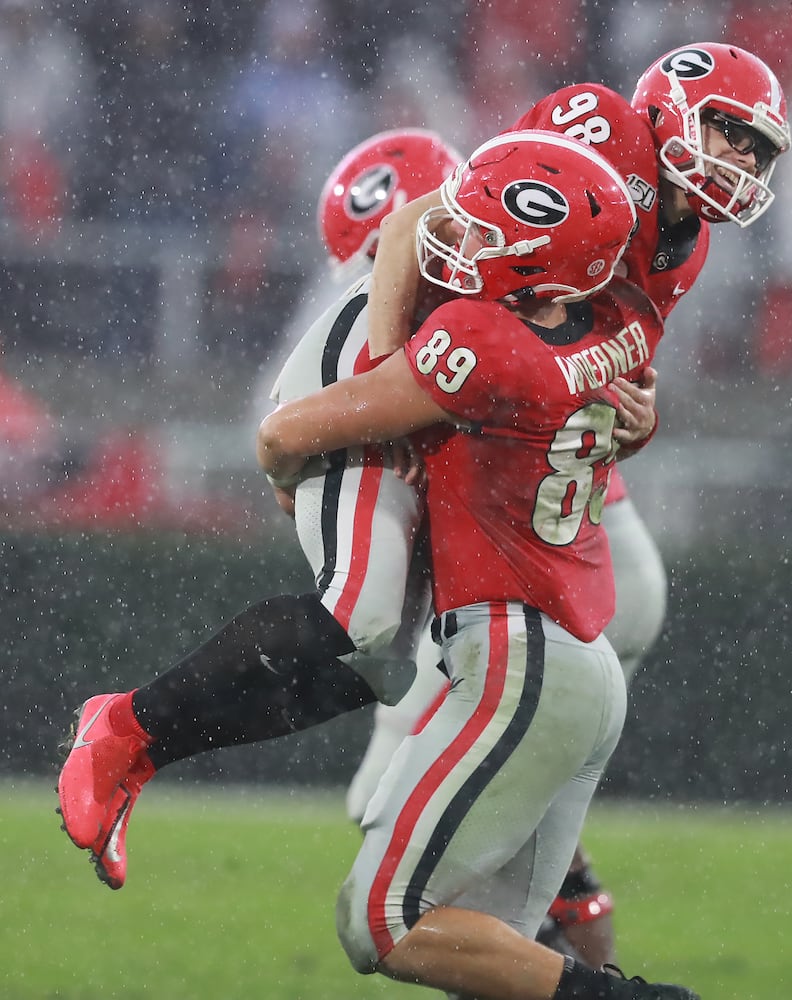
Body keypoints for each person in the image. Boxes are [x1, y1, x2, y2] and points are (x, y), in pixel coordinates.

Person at [54, 128, 656, 895]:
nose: (455, 243)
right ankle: (123, 730)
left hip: (413, 380)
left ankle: (141, 748)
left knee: (379, 670)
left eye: (474, 225)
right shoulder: (452, 296)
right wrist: (308, 455)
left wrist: (635, 412)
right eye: (450, 222)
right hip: (366, 378)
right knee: (357, 615)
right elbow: (281, 433)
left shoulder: (547, 290)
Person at [362, 41, 792, 967]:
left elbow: (601, 374)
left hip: (516, 483)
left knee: (441, 869)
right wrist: (387, 376)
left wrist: (634, 412)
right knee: (363, 627)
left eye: (758, 151)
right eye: (731, 132)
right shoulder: (595, 126)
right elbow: (435, 235)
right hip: (443, 399)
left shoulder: (691, 243)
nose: (743, 163)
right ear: (673, 106)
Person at [257, 129, 696, 1000]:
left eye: (477, 232)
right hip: (584, 631)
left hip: (520, 643)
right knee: (499, 937)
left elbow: (285, 433)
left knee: (382, 907)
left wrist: (305, 460)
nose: (459, 248)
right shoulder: (607, 328)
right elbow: (629, 412)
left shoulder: (473, 340)